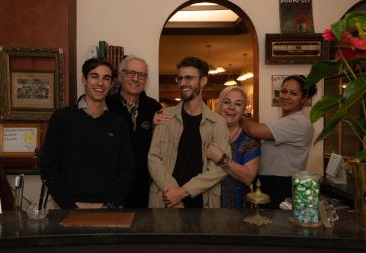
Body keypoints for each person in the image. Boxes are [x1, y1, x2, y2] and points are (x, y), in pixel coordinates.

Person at [41, 57, 135, 209]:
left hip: (108, 208)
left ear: (111, 84)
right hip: (67, 207)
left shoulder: (119, 124)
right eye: (94, 76)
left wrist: (111, 204)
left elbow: (127, 170)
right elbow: (48, 167)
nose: (100, 83)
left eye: (106, 78)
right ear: (84, 80)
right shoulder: (61, 118)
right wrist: (68, 205)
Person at [148, 57, 230, 208]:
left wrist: (183, 192)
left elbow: (220, 168)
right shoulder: (165, 116)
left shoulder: (217, 122)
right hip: (166, 200)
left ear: (203, 81)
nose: (183, 83)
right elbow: (153, 158)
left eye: (189, 78)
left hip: (203, 202)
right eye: (180, 78)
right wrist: (173, 192)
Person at [241, 75, 317, 209]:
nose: (286, 96)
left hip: (281, 185)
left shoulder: (299, 122)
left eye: (293, 93)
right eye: (284, 91)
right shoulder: (283, 121)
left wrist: (236, 114)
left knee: (276, 227)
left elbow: (254, 130)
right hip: (269, 182)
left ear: (304, 99)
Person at [106, 55, 162, 208]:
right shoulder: (106, 106)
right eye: (131, 73)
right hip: (112, 187)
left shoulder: (154, 108)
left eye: (142, 75)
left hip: (145, 187)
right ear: (120, 75)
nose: (136, 79)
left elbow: (161, 148)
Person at [206, 86, 260, 208]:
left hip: (236, 211)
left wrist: (221, 158)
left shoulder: (249, 142)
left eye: (238, 104)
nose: (231, 107)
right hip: (205, 206)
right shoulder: (205, 135)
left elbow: (248, 177)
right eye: (227, 102)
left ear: (243, 109)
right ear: (219, 105)